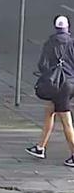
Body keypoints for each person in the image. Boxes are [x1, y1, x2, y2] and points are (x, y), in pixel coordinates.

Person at [26, 15, 74, 167]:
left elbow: (43, 64)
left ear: (55, 27)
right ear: (67, 28)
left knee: (66, 121)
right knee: (49, 112)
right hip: (70, 82)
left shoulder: (50, 43)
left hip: (58, 85)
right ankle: (40, 147)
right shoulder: (72, 43)